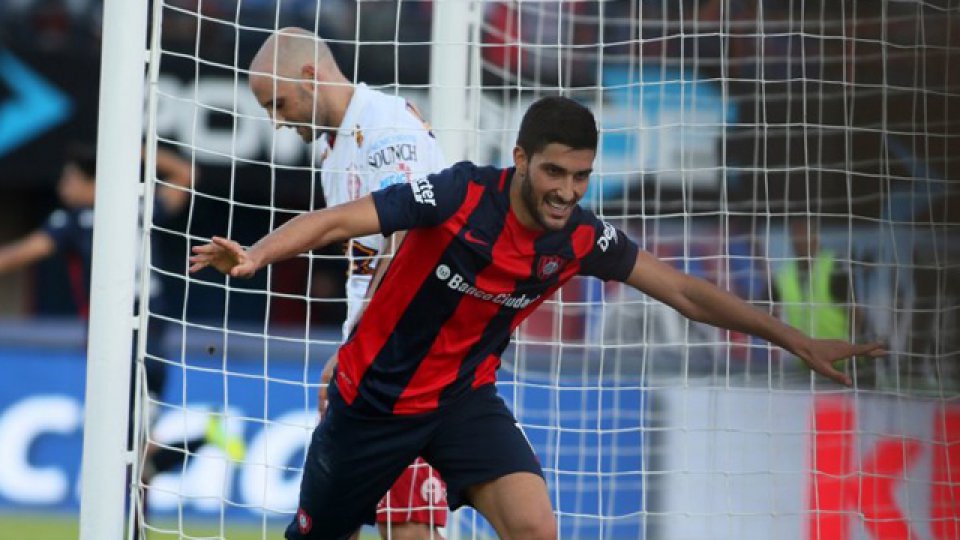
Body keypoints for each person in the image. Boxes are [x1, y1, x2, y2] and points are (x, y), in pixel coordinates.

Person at [189, 96, 885, 540]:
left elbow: (683, 292)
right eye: (555, 173)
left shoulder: (580, 237)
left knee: (533, 527)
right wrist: (255, 254)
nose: (567, 192)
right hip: (372, 401)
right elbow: (339, 218)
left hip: (464, 399)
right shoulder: (458, 193)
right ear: (520, 159)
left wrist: (794, 338)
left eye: (581, 177)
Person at [247, 27, 449, 539]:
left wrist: (362, 342)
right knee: (334, 518)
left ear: (311, 78)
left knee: (407, 525)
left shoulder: (386, 129)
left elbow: (411, 240)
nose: (277, 119)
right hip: (372, 348)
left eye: (279, 102)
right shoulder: (333, 147)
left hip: (408, 352)